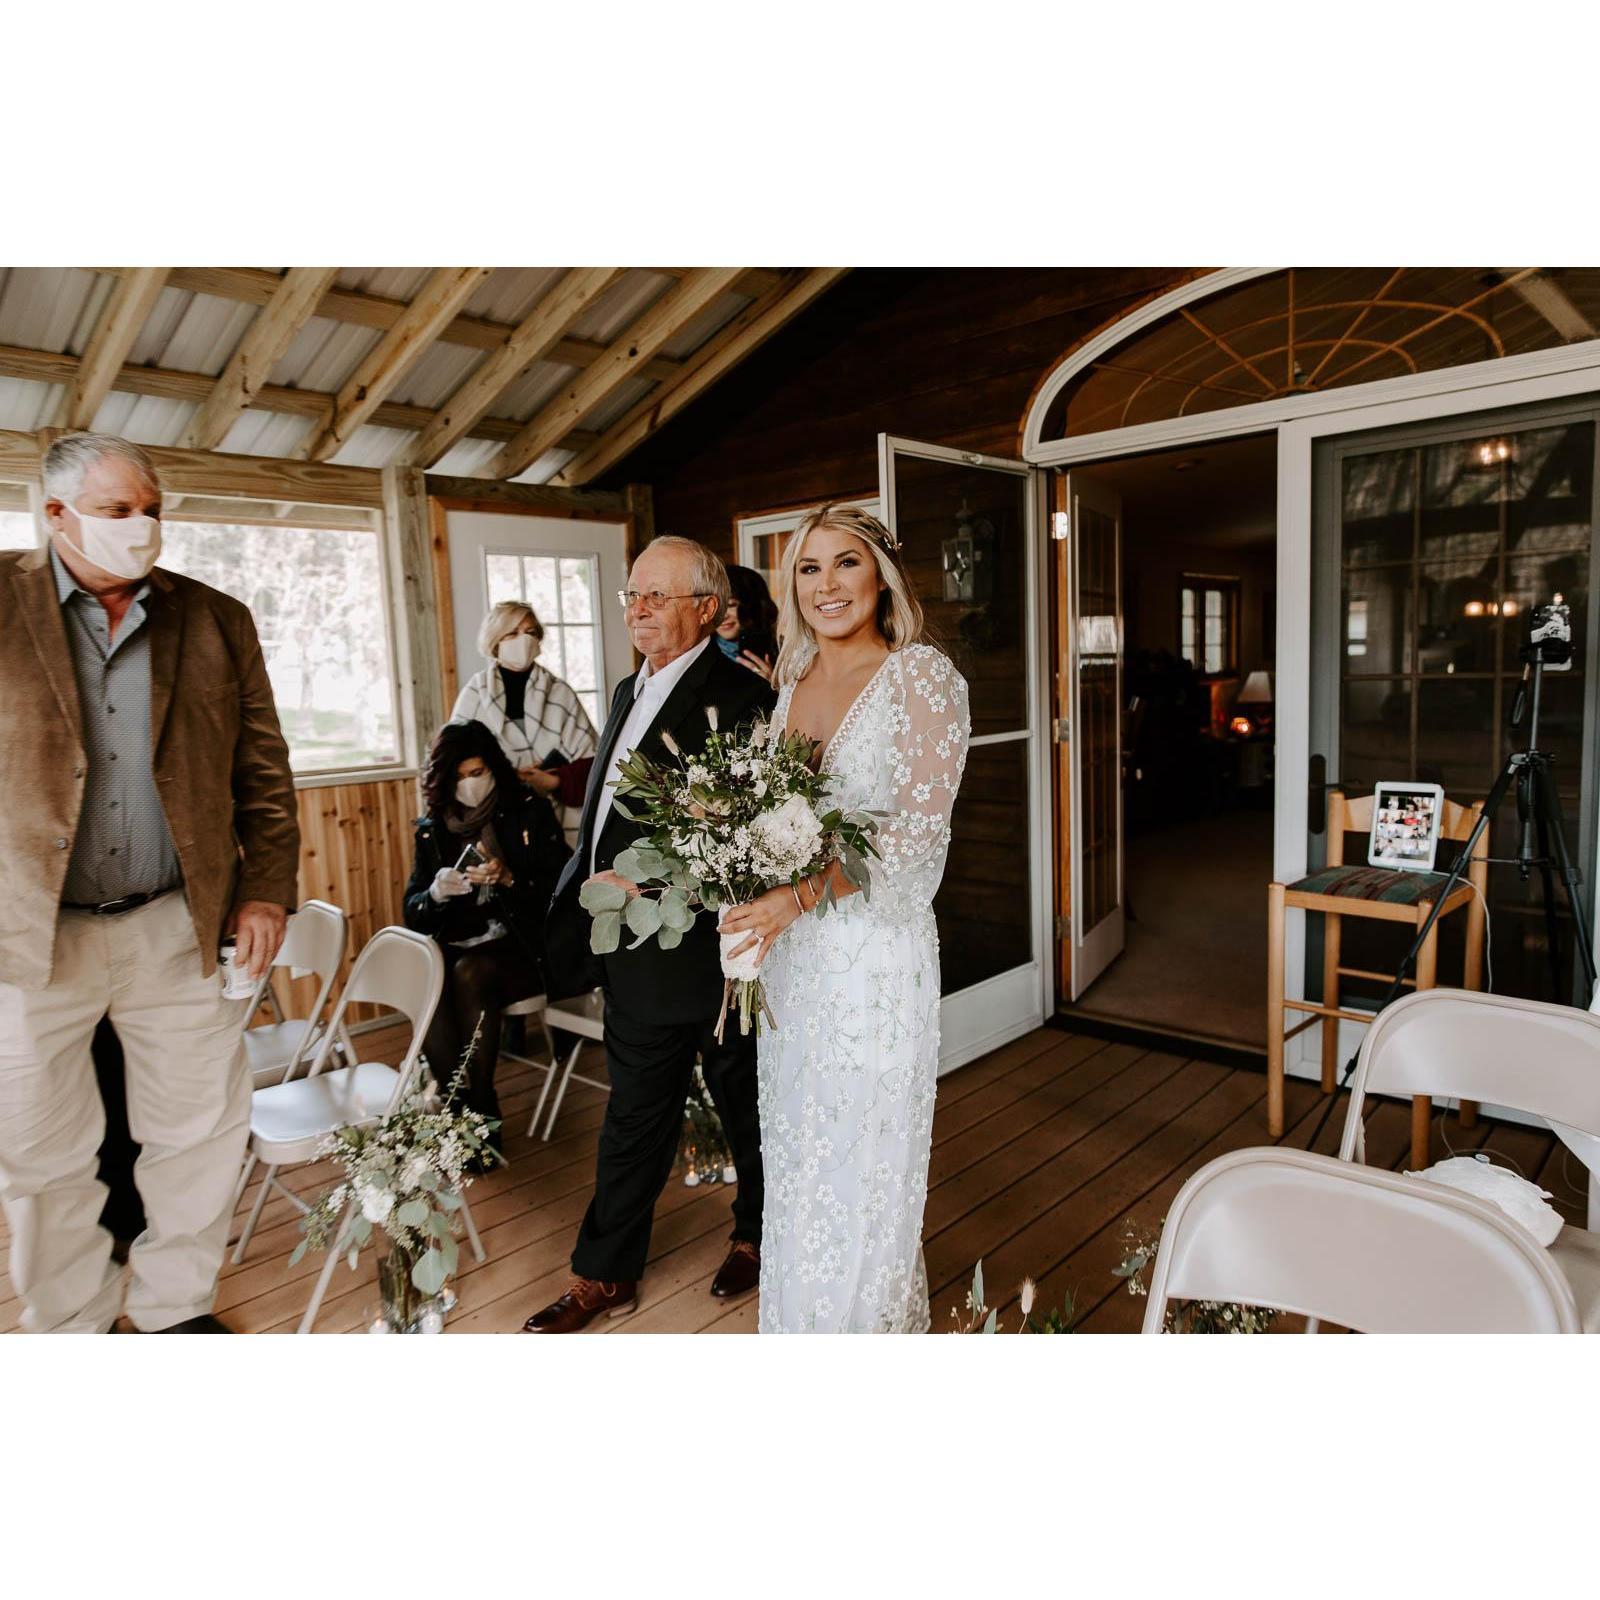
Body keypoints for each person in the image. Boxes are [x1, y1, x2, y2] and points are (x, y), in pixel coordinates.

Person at [0, 431, 299, 1333]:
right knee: (40, 1151)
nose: (142, 525)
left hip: (175, 923)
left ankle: (175, 1310)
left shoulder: (214, 619)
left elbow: (263, 772)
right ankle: (74, 1323)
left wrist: (266, 888)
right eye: (118, 510)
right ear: (57, 514)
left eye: (152, 509)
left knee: (198, 1131)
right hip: (28, 933)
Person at [719, 503, 970, 1333]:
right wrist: (730, 876)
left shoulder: (921, 679)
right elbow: (770, 819)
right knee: (799, 1151)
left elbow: (912, 840)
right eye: (808, 567)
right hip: (794, 960)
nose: (827, 585)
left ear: (882, 577)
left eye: (847, 562)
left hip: (873, 957)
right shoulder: (790, 681)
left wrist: (794, 897)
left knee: (864, 1156)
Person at [526, 537, 775, 1332]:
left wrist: (653, 887)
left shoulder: (744, 699)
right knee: (633, 1117)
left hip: (715, 952)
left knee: (748, 1107)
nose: (637, 609)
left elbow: (749, 833)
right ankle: (604, 1275)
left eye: (656, 596)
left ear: (706, 607)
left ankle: (759, 1235)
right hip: (631, 949)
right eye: (632, 595)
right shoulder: (625, 690)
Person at [403, 720, 570, 1159]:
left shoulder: (527, 809)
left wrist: (510, 878)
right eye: (459, 776)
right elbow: (413, 912)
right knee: (426, 975)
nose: (470, 784)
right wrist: (436, 893)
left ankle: (480, 1105)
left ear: (493, 767)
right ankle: (460, 1111)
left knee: (469, 973)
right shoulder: (434, 827)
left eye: (477, 773)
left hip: (525, 948)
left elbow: (564, 888)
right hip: (460, 945)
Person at [449, 599, 598, 839]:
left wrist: (553, 781)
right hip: (497, 820)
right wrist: (508, 776)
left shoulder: (559, 692)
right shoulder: (474, 694)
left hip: (557, 822)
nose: (524, 639)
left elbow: (592, 763)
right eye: (513, 633)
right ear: (495, 640)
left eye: (530, 632)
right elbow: (453, 760)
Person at [716, 562, 779, 682]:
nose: (723, 616)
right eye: (716, 606)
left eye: (731, 605)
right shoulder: (699, 654)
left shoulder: (785, 651)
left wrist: (771, 686)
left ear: (753, 607)